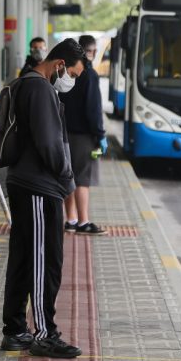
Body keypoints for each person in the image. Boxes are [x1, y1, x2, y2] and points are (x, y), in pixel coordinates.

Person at [1, 38, 85, 358]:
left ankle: (16, 329)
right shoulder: (39, 89)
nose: (71, 82)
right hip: (39, 187)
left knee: (24, 259)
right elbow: (50, 143)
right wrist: (66, 180)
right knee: (43, 262)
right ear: (59, 64)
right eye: (73, 75)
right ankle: (44, 334)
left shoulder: (27, 84)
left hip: (27, 184)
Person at [60, 35, 107, 236]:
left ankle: (70, 220)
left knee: (68, 177)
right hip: (83, 136)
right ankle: (83, 221)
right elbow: (93, 109)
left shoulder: (65, 73)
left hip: (64, 133)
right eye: (93, 51)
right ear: (90, 52)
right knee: (82, 180)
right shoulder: (89, 74)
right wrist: (100, 135)